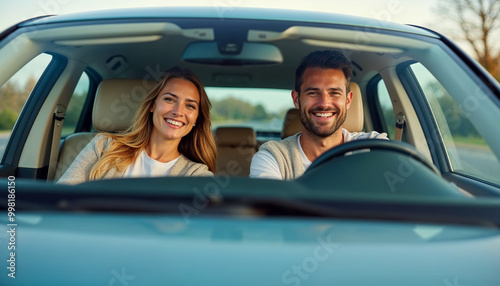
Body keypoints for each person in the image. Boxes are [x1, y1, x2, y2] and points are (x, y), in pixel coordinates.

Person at [58, 66, 216, 184]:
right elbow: (60, 201)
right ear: (152, 106)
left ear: (196, 119)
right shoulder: (103, 147)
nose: (178, 111)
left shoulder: (196, 175)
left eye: (190, 106)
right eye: (169, 99)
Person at [250, 50, 387, 180]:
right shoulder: (273, 158)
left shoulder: (374, 147)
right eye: (313, 93)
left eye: (334, 93)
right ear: (297, 100)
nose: (324, 103)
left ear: (348, 100)